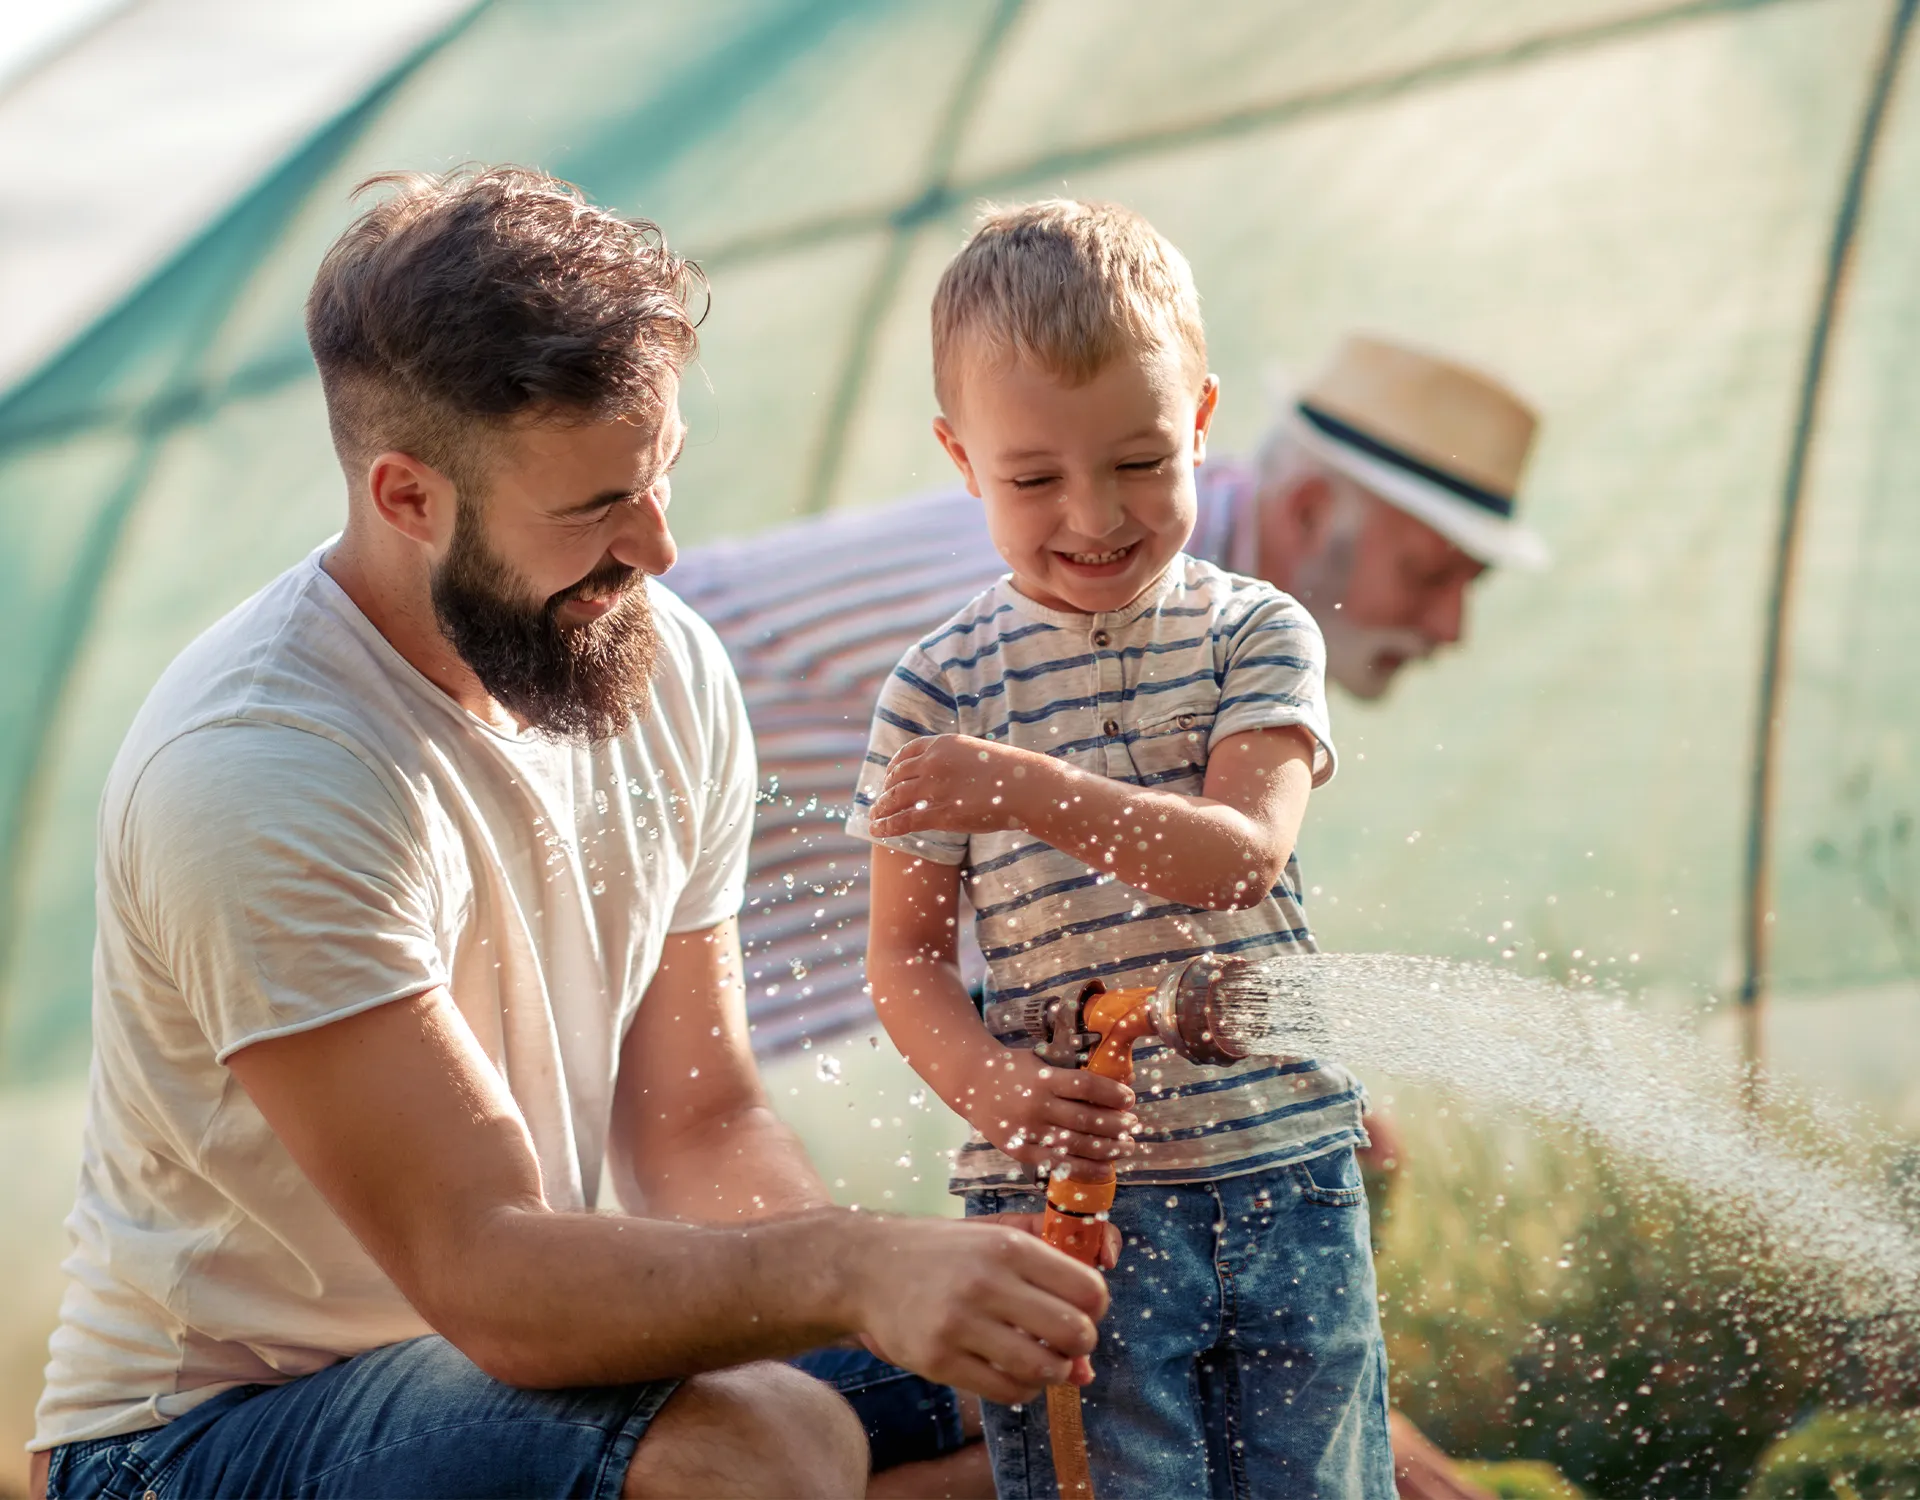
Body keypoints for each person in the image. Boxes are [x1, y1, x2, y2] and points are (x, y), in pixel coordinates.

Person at [27, 167, 1124, 1500]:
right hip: (205, 1434)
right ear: (408, 497)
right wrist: (849, 1272)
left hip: (509, 1359)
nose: (657, 548)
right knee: (761, 1450)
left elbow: (698, 1125)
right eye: (595, 509)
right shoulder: (259, 768)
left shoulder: (657, 667)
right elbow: (485, 1265)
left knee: (1075, 1366)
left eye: (658, 477)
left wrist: (912, 1300)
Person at [845, 197, 1390, 1497]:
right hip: (1059, 1213)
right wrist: (992, 1091)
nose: (1095, 513)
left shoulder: (1256, 636)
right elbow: (905, 962)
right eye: (1034, 478)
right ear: (962, 460)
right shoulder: (936, 693)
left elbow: (1237, 857)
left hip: (1280, 1177)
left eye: (1142, 460)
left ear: (1199, 421)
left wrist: (1024, 789)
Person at [670, 332, 1545, 1053]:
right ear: (1310, 511)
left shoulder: (1206, 636)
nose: (1449, 628)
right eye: (1429, 573)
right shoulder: (1079, 589)